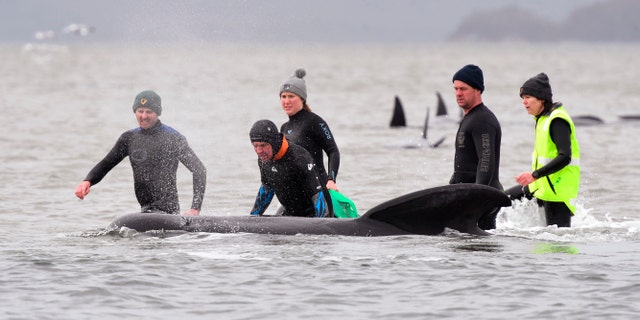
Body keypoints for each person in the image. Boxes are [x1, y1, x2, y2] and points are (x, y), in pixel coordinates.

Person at [74, 90, 207, 216]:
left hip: (168, 214)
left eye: (149, 112)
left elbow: (199, 170)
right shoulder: (129, 138)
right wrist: (87, 181)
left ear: (157, 113)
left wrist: (195, 209)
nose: (143, 116)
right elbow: (107, 163)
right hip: (145, 211)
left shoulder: (173, 138)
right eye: (140, 111)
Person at [514, 73, 580, 227]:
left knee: (556, 244)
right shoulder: (542, 118)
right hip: (541, 186)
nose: (524, 102)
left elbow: (565, 157)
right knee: (501, 199)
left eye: (528, 97)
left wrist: (534, 175)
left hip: (558, 191)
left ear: (541, 98)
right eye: (522, 98)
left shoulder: (557, 120)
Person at [450, 64, 503, 230]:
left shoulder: (482, 121)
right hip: (471, 196)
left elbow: (486, 160)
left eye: (463, 89)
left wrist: (477, 197)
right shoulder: (471, 117)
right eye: (456, 89)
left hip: (482, 199)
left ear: (478, 90)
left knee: (479, 250)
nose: (458, 93)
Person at [249, 119, 333, 218]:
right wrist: (253, 218)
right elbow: (267, 189)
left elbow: (318, 197)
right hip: (289, 214)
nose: (259, 151)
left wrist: (321, 224)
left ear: (274, 142)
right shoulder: (264, 159)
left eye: (263, 145)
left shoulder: (299, 158)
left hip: (313, 215)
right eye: (255, 146)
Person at [279, 68, 341, 191]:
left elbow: (333, 151)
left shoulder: (314, 121)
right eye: (283, 96)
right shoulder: (284, 128)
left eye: (291, 96)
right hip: (297, 193)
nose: (286, 101)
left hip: (318, 190)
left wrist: (331, 180)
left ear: (302, 98)